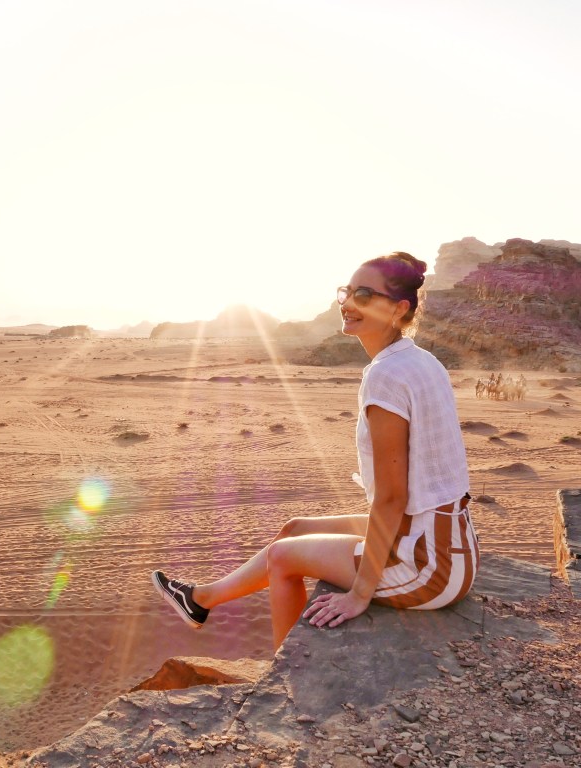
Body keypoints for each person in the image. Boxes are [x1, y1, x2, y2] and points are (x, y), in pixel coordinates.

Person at [152, 252, 479, 650]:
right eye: (347, 291)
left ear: (399, 308)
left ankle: (285, 673)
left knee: (284, 558)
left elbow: (392, 497)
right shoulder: (418, 359)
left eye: (363, 294)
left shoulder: (387, 375)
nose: (347, 303)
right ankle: (201, 600)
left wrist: (359, 594)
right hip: (441, 539)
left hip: (429, 565)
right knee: (294, 529)